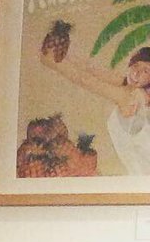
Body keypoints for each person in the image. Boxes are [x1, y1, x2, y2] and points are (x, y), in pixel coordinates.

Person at [39, 35, 150, 175]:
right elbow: (92, 69)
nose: (137, 73)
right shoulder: (129, 86)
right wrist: (62, 52)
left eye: (146, 71)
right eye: (136, 66)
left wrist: (52, 62)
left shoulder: (129, 97)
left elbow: (85, 80)